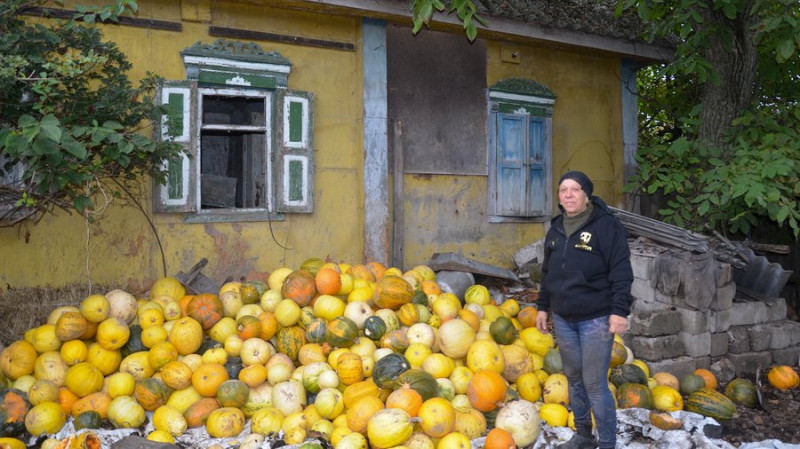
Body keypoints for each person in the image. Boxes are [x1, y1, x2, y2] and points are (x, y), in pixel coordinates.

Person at [535, 170, 634, 449]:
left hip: (596, 318)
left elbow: (621, 270)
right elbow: (548, 273)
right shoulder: (555, 228)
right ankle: (583, 435)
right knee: (574, 378)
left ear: (586, 195)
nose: (568, 194)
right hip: (564, 318)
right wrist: (543, 307)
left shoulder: (605, 226)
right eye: (563, 189)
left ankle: (607, 443)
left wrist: (619, 310)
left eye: (575, 189)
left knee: (594, 383)